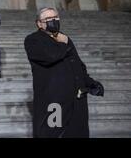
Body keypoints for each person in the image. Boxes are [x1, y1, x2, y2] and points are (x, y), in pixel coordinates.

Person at [24, 7, 104, 138]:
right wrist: (62, 44)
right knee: (52, 133)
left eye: (55, 18)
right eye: (49, 19)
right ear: (39, 23)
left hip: (77, 101)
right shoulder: (33, 40)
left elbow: (78, 66)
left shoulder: (64, 38)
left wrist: (91, 84)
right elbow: (49, 57)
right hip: (54, 103)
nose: (53, 21)